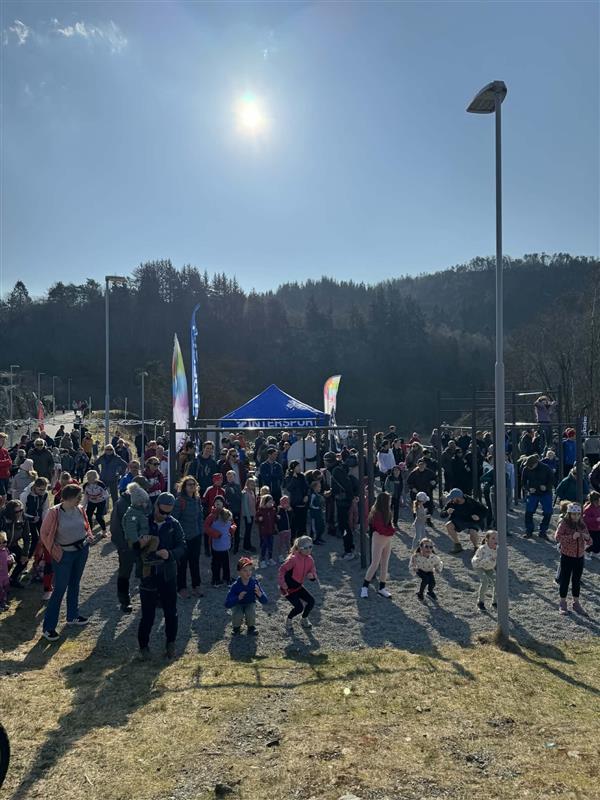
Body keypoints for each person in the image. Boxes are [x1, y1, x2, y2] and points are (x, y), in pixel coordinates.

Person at [135, 492, 186, 659]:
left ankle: (171, 645)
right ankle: (143, 648)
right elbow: (130, 546)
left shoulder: (174, 524)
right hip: (148, 575)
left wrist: (170, 554)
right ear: (156, 506)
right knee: (147, 615)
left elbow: (182, 546)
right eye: (162, 511)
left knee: (171, 612)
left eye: (168, 513)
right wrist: (139, 545)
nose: (164, 515)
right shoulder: (143, 522)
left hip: (167, 574)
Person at [40, 484, 94, 641]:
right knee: (60, 589)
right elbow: (44, 533)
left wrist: (89, 536)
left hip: (81, 551)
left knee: (75, 583)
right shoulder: (54, 512)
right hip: (64, 555)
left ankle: (73, 616)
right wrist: (54, 550)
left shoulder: (80, 509)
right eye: (78, 497)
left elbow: (86, 524)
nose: (81, 499)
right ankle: (48, 627)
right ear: (69, 497)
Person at [110, 475, 151, 613]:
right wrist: (123, 546)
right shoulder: (121, 504)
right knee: (124, 573)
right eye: (144, 488)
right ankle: (124, 601)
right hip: (127, 546)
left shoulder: (144, 500)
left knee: (144, 571)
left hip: (143, 544)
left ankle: (147, 597)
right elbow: (115, 527)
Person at [555, 502, 591, 615]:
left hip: (579, 557)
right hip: (567, 556)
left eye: (578, 514)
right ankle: (562, 603)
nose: (576, 516)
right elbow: (557, 537)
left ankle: (576, 603)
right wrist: (571, 537)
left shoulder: (582, 524)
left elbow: (590, 541)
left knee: (576, 581)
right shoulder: (564, 523)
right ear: (569, 514)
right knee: (565, 580)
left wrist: (587, 538)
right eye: (574, 514)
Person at [278, 535, 319, 632]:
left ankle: (304, 619)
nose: (308, 550)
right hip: (288, 588)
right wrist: (282, 583)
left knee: (311, 601)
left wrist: (312, 576)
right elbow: (282, 570)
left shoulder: (310, 559)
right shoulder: (293, 559)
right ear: (299, 548)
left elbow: (313, 571)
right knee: (299, 607)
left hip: (298, 586)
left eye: (310, 546)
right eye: (305, 548)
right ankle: (289, 620)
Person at [173, 476, 204, 598]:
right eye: (189, 484)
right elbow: (175, 520)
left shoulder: (197, 499)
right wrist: (178, 537)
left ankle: (196, 585)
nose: (192, 486)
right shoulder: (179, 501)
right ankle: (181, 587)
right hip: (183, 538)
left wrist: (200, 531)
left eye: (193, 484)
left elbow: (200, 516)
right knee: (182, 564)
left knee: (195, 562)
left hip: (196, 536)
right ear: (184, 487)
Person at [360, 492, 395, 599]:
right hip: (379, 538)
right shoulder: (376, 513)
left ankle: (382, 588)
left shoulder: (388, 511)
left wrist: (391, 531)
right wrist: (392, 531)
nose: (390, 502)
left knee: (385, 563)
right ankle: (364, 587)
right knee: (375, 563)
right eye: (389, 500)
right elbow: (380, 528)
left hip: (387, 539)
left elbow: (389, 525)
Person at [224, 556, 268, 636]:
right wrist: (237, 598)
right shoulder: (235, 586)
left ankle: (251, 627)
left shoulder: (254, 583)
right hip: (238, 604)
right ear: (239, 572)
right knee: (238, 613)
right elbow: (227, 603)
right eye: (245, 570)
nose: (248, 572)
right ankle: (236, 628)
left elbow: (265, 601)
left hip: (250, 603)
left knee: (250, 612)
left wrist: (260, 594)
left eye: (250, 570)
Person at [331, 455, 359, 560]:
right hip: (346, 500)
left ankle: (348, 550)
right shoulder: (342, 470)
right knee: (346, 525)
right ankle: (350, 547)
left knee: (344, 526)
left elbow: (346, 485)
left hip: (343, 501)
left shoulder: (337, 471)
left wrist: (351, 497)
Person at [443, 488, 487, 554]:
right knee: (448, 525)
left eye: (453, 498)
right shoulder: (451, 503)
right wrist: (446, 512)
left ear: (458, 498)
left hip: (472, 522)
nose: (451, 499)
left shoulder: (471, 501)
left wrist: (479, 516)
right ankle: (457, 545)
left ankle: (476, 547)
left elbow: (485, 510)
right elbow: (442, 514)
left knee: (473, 532)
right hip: (459, 521)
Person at [521, 454, 554, 540]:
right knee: (529, 512)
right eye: (528, 466)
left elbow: (552, 479)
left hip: (545, 493)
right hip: (533, 493)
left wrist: (546, 487)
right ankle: (529, 531)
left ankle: (543, 531)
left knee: (548, 512)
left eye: (531, 466)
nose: (529, 468)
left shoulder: (546, 468)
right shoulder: (526, 469)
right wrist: (528, 489)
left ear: (536, 463)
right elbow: (523, 482)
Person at [204, 496, 235, 586]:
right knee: (216, 563)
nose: (218, 502)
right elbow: (206, 527)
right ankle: (215, 580)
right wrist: (215, 533)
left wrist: (232, 529)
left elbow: (233, 524)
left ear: (223, 503)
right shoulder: (211, 516)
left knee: (226, 563)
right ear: (214, 504)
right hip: (215, 544)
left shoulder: (227, 514)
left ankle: (227, 578)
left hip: (225, 543)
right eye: (216, 501)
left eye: (220, 501)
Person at [0, 500, 31, 588]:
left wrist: (25, 553)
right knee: (6, 563)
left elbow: (27, 537)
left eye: (21, 510)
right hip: (2, 547)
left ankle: (13, 579)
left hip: (13, 545)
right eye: (17, 511)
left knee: (24, 561)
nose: (19, 513)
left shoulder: (23, 519)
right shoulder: (2, 519)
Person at [21, 477, 49, 557]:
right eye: (40, 489)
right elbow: (22, 512)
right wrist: (32, 517)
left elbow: (45, 508)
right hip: (28, 520)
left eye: (44, 489)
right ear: (35, 487)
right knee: (35, 538)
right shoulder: (25, 495)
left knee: (44, 537)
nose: (42, 492)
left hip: (39, 518)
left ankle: (40, 556)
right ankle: (27, 556)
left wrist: (44, 522)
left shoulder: (45, 494)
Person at [472, 530, 497, 611]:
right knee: (485, 581)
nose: (496, 540)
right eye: (493, 538)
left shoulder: (498, 549)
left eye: (497, 538)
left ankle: (495, 602)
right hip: (479, 566)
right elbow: (477, 561)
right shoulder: (482, 548)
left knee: (497, 582)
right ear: (487, 539)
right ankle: (481, 602)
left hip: (489, 567)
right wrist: (488, 559)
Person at [406, 459, 437, 526]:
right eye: (420, 464)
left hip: (427, 493)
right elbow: (409, 482)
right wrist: (412, 488)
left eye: (423, 464)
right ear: (417, 465)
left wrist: (434, 482)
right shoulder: (413, 473)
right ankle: (416, 521)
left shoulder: (429, 472)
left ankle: (428, 521)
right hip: (416, 493)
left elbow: (435, 478)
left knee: (429, 508)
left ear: (425, 465)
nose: (421, 466)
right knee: (416, 508)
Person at [82, 470, 109, 535]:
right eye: (88, 478)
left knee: (99, 517)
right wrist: (83, 507)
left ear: (96, 477)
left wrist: (99, 498)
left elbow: (106, 495)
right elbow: (85, 497)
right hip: (91, 502)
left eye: (92, 478)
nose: (90, 479)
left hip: (101, 502)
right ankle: (90, 531)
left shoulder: (101, 484)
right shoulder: (85, 486)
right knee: (88, 516)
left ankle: (104, 530)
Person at [256, 493, 277, 568]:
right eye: (269, 502)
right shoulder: (260, 511)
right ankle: (262, 559)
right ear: (264, 503)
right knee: (264, 545)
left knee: (271, 545)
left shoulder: (273, 510)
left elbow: (274, 519)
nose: (271, 503)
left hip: (271, 531)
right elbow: (256, 520)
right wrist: (259, 519)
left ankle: (270, 558)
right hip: (264, 532)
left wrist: (277, 518)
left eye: (272, 502)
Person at [224, 470, 242, 553]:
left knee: (236, 529)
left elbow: (239, 498)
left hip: (236, 510)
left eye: (231, 476)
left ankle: (236, 547)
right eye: (228, 477)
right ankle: (229, 545)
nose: (229, 478)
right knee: (228, 528)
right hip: (227, 511)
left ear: (234, 477)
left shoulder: (237, 486)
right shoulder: (225, 487)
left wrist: (233, 492)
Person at [241, 477, 257, 553]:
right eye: (251, 484)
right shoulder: (245, 493)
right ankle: (246, 547)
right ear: (247, 484)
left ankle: (249, 545)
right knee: (247, 531)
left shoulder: (252, 492)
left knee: (249, 531)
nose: (253, 486)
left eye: (254, 484)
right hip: (248, 515)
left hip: (252, 514)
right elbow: (245, 506)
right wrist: (248, 517)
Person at [583, 491, 600, 560]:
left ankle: (595, 552)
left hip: (598, 528)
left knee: (598, 542)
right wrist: (595, 519)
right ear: (594, 501)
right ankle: (586, 552)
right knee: (591, 542)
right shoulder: (588, 509)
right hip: (591, 529)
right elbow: (585, 519)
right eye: (598, 500)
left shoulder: (598, 507)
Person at [276, 495, 293, 563]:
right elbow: (277, 520)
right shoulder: (279, 510)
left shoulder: (289, 510)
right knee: (281, 543)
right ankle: (280, 555)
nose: (287, 504)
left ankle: (289, 554)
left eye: (288, 503)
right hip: (282, 530)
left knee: (288, 543)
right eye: (286, 503)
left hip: (288, 529)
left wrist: (290, 511)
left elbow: (291, 517)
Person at [0, 531, 15, 610]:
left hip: (5, 574)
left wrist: (11, 559)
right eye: (0, 543)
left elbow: (7, 559)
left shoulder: (5, 550)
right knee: (1, 591)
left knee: (6, 589)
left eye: (4, 542)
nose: (2, 544)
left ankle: (3, 602)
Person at [308, 480, 325, 545]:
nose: (320, 488)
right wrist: (318, 507)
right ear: (315, 488)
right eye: (319, 487)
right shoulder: (313, 495)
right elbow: (311, 505)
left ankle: (319, 537)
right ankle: (314, 539)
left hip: (319, 514)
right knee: (315, 527)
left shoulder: (319, 495)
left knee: (321, 526)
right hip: (314, 514)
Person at [0, 433, 12, 501]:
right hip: (0, 477)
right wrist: (5, 462)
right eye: (1, 440)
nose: (3, 442)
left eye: (4, 440)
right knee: (3, 496)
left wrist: (3, 462)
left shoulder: (5, 450)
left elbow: (10, 462)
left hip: (6, 476)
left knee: (5, 495)